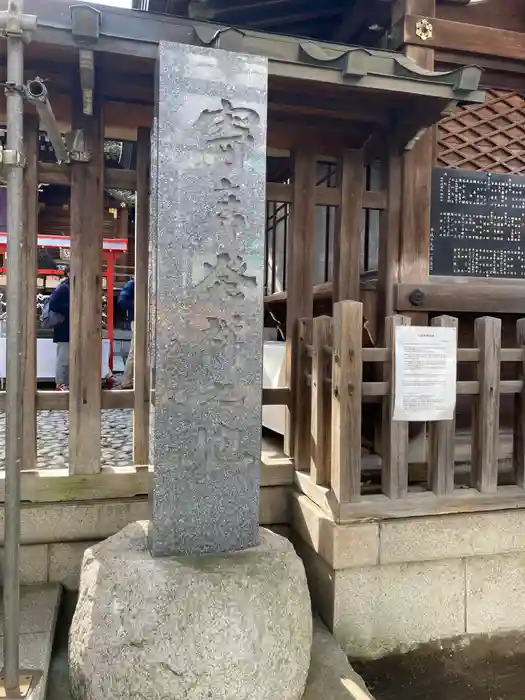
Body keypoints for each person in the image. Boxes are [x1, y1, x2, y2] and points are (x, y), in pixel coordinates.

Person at [49, 274, 70, 391]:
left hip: (68, 328)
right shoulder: (64, 288)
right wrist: (72, 306)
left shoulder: (67, 287)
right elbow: (54, 305)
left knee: (67, 358)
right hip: (64, 328)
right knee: (63, 359)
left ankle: (65, 383)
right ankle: (60, 383)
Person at [118, 278, 134, 389]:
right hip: (138, 319)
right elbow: (122, 301)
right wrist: (138, 304)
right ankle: (127, 380)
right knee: (135, 352)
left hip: (147, 319)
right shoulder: (132, 284)